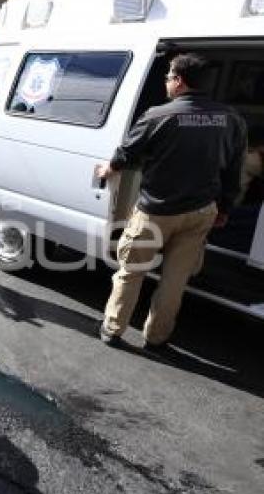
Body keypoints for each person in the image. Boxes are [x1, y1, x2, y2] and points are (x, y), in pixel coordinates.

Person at [95, 53, 247, 350]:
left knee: (131, 272)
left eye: (168, 76)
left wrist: (107, 169)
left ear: (179, 81)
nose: (166, 81)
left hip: (155, 211)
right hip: (201, 211)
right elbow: (233, 169)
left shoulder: (157, 115)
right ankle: (157, 337)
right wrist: (225, 208)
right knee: (175, 281)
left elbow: (126, 154)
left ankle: (113, 329)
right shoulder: (231, 118)